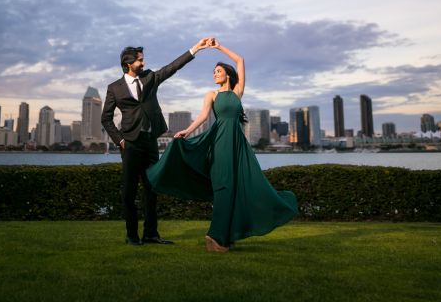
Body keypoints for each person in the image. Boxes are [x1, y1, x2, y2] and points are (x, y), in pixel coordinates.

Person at [147, 39, 298, 252]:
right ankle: (214, 237)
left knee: (243, 186)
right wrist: (187, 131)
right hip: (221, 143)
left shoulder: (237, 92)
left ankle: (226, 236)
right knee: (224, 188)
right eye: (213, 72)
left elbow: (240, 60)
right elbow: (203, 116)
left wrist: (218, 47)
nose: (215, 74)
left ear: (227, 74)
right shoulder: (212, 95)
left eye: (218, 71)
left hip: (239, 146)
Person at [101, 38, 211, 246]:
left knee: (151, 190)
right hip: (130, 144)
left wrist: (196, 48)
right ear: (128, 64)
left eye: (143, 60)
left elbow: (172, 67)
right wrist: (120, 141)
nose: (143, 63)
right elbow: (105, 118)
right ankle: (132, 235)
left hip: (150, 143)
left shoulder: (150, 78)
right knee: (129, 192)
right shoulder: (114, 88)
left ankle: (151, 234)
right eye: (139, 60)